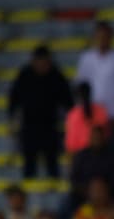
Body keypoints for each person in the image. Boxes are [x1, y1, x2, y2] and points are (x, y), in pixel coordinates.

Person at [8, 45, 72, 179]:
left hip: (50, 127)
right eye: (39, 62)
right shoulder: (25, 75)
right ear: (34, 61)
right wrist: (12, 119)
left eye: (45, 62)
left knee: (52, 163)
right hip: (29, 128)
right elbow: (13, 99)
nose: (42, 65)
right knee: (29, 164)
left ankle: (53, 189)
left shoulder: (56, 76)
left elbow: (68, 101)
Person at [75, 21, 114, 136]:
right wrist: (82, 111)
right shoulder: (86, 59)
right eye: (100, 36)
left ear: (111, 38)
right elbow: (81, 85)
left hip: (112, 115)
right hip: (91, 115)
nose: (102, 40)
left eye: (106, 37)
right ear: (95, 37)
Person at [64, 81, 109, 155]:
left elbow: (105, 138)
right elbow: (71, 146)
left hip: (99, 155)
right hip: (83, 157)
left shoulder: (101, 112)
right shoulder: (74, 114)